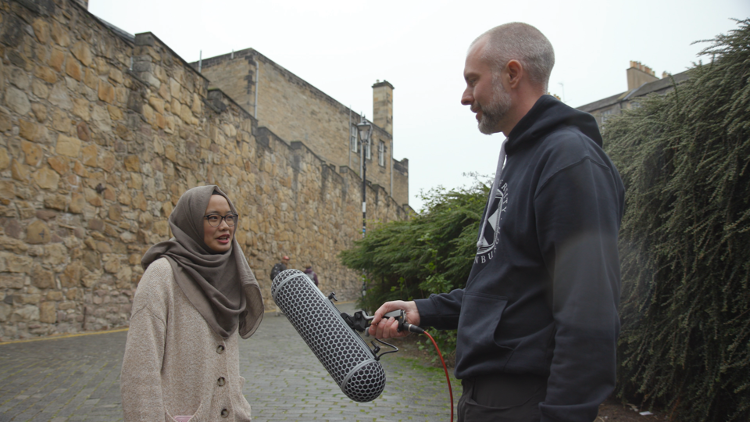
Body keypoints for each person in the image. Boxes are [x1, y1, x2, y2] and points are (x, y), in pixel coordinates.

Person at [369, 23, 624, 422]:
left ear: (512, 73)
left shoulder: (569, 160)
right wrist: (423, 310)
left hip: (527, 403)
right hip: (485, 401)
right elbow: (502, 288)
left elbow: (589, 311)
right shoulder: (516, 159)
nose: (465, 96)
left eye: (473, 80)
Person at [120, 185, 264, 421]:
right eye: (213, 218)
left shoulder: (231, 273)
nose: (225, 226)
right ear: (191, 222)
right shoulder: (162, 275)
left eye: (229, 217)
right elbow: (140, 370)